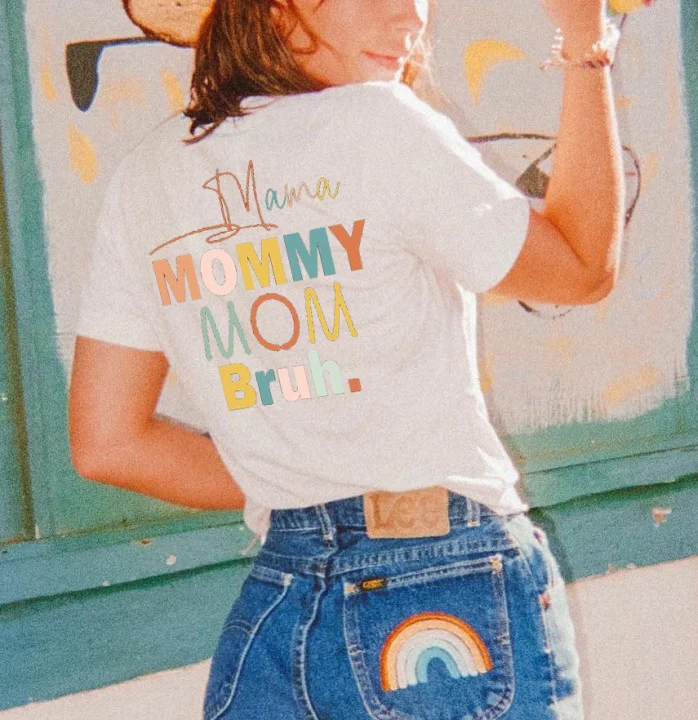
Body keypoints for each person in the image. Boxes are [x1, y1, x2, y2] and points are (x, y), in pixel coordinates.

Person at [68, 0, 625, 717]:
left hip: (279, 604)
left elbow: (109, 443)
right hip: (443, 589)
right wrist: (585, 42)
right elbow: (581, 266)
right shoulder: (378, 124)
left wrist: (298, 476)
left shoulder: (148, 176)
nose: (411, 18)